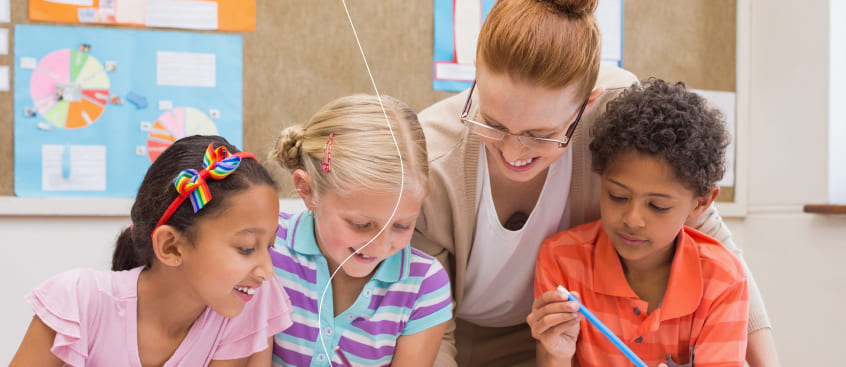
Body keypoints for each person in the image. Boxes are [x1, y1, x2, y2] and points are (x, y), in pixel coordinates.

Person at [411, 0, 778, 366]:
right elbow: (429, 322)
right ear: (475, 75)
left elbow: (713, 236)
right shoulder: (428, 162)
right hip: (461, 332)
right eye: (493, 123)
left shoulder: (614, 109)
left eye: (541, 134)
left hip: (570, 337)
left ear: (587, 106)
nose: (512, 150)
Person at [11, 135, 294, 367]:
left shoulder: (245, 304)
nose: (267, 271)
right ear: (171, 246)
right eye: (246, 249)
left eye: (269, 246)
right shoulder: (78, 301)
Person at [531, 79, 748, 367]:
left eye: (658, 206)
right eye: (617, 196)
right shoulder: (562, 259)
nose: (632, 220)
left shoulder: (722, 281)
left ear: (700, 203)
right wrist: (557, 353)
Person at [267, 94, 453, 366]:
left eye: (402, 225)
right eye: (361, 224)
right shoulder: (266, 247)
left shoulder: (424, 285)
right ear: (306, 190)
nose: (380, 245)